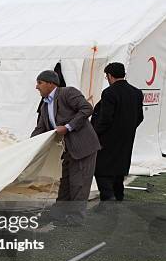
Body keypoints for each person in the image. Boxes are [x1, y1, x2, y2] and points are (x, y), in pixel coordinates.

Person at [31, 70, 101, 223]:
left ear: (50, 83)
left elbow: (87, 108)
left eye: (39, 83)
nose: (37, 87)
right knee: (65, 183)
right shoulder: (44, 106)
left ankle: (76, 217)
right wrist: (27, 147)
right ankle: (59, 213)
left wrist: (68, 127)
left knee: (79, 183)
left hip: (83, 147)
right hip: (67, 150)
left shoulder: (68, 92)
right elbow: (40, 129)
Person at [92, 62, 144, 201]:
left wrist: (94, 135)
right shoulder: (137, 92)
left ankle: (108, 202)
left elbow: (105, 119)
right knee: (119, 172)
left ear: (109, 76)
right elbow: (140, 117)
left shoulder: (109, 92)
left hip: (107, 140)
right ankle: (118, 198)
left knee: (102, 171)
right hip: (126, 139)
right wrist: (127, 129)